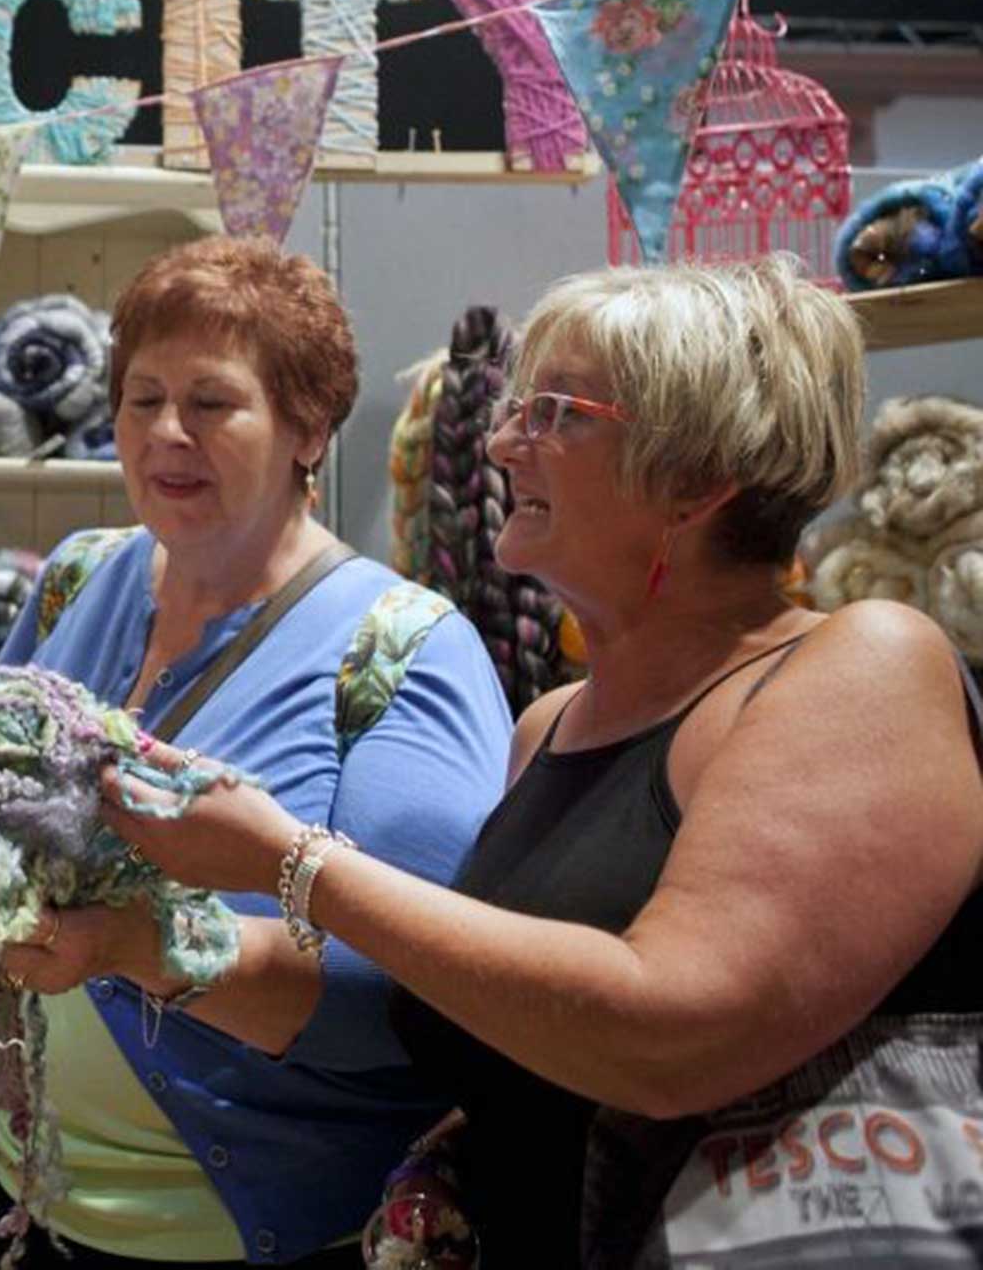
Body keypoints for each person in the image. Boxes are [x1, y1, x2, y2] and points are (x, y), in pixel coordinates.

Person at [105, 256, 983, 1268]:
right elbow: (534, 1024)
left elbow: (668, 1037)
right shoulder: (551, 725)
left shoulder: (861, 665)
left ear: (696, 475)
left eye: (556, 413)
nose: (501, 438)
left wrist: (291, 864)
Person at [0, 237, 515, 1270]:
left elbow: (408, 1002)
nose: (165, 434)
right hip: (21, 1199)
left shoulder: (403, 649)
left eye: (211, 403)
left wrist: (135, 945)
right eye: (141, 399)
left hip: (249, 1229)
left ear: (308, 425)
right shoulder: (75, 580)